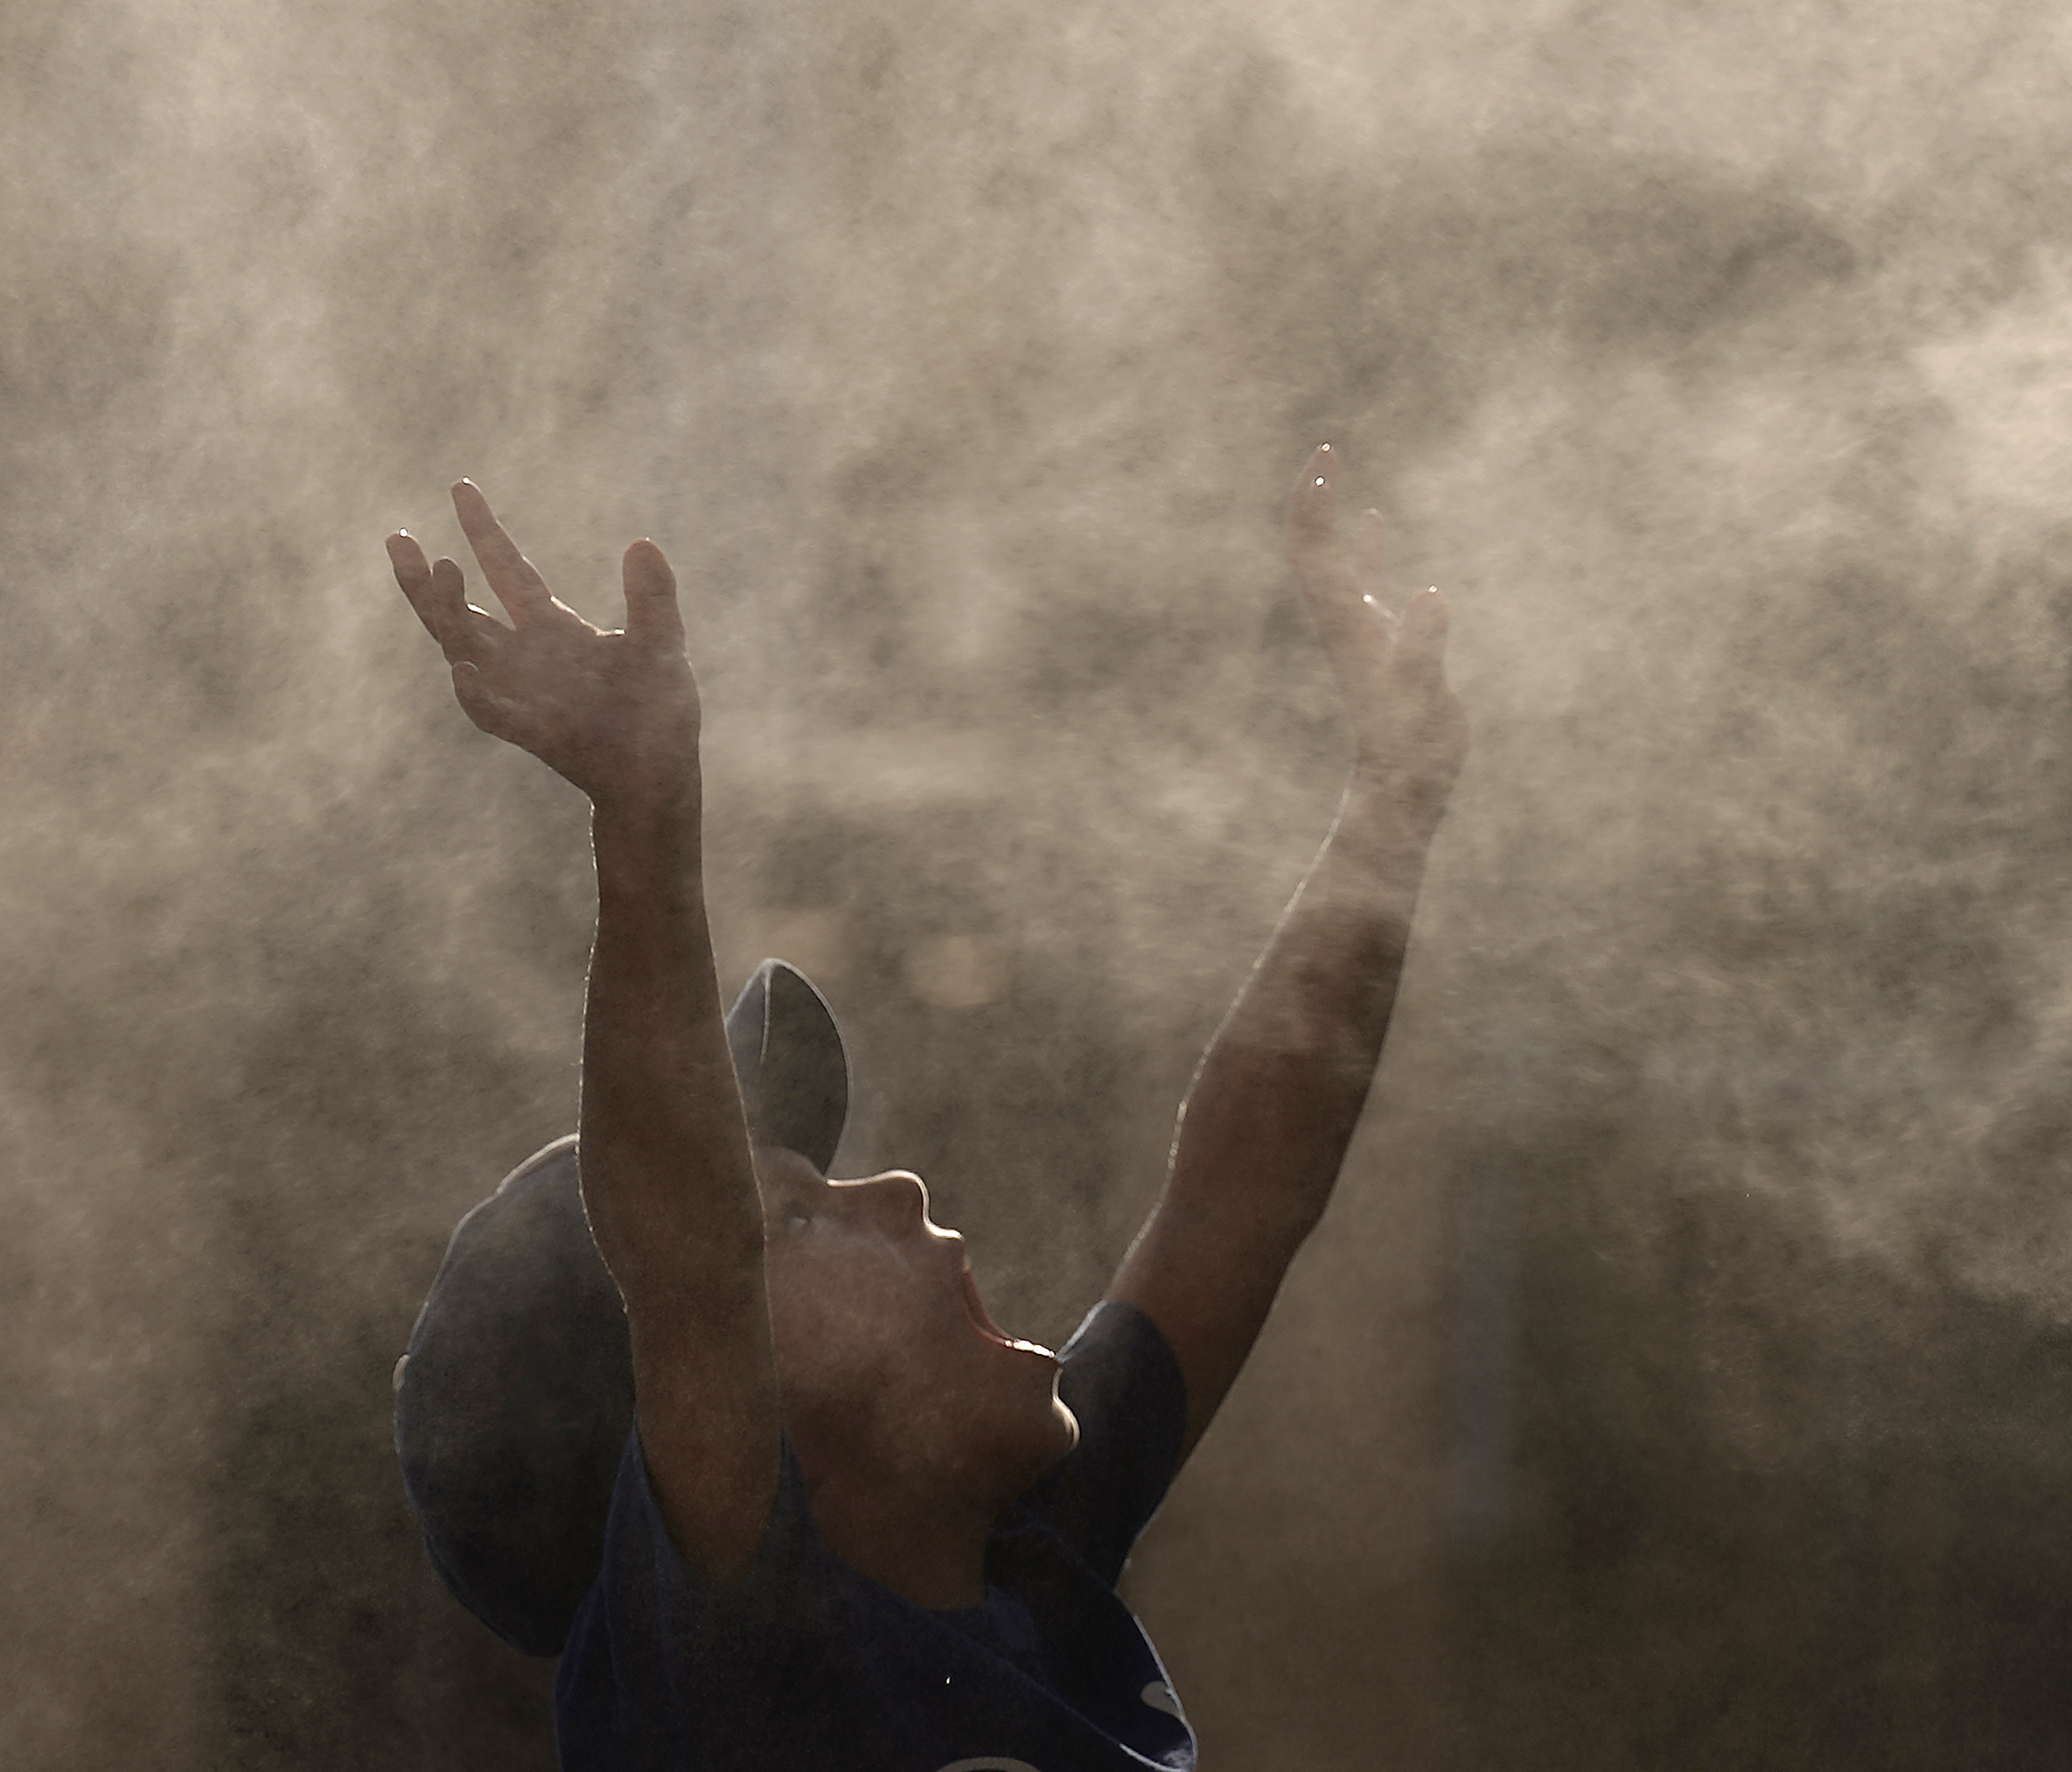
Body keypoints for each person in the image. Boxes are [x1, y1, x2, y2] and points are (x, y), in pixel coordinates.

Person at [385, 449, 1464, 1769]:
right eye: (784, 1218)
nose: (895, 1192)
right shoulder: (731, 1665)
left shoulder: (1023, 1557)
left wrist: (1392, 806)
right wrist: (644, 815)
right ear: (679, 1421)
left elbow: (1242, 1192)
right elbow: (681, 1260)